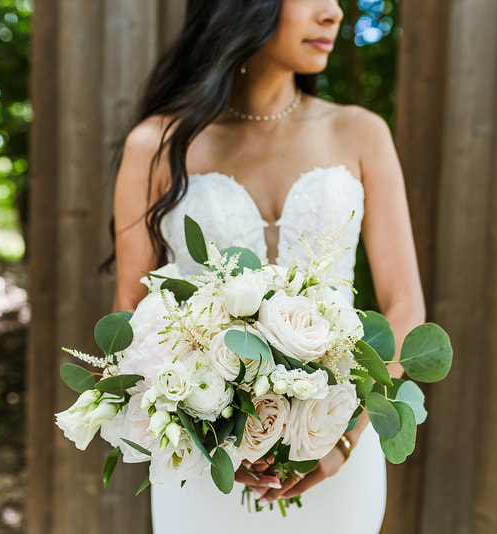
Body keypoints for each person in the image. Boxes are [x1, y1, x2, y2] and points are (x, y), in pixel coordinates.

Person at [109, 0, 425, 532]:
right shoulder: (155, 146)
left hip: (340, 458)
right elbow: (129, 311)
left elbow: (403, 305)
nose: (335, 14)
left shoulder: (361, 133)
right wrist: (202, 423)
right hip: (208, 466)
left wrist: (342, 437)